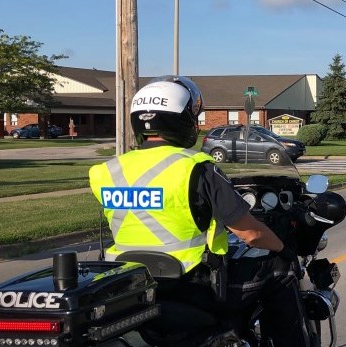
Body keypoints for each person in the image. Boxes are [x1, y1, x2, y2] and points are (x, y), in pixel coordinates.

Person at [88, 76, 309, 346]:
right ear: (182, 121)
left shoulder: (105, 171)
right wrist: (282, 248)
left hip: (129, 284)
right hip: (192, 284)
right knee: (281, 270)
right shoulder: (195, 166)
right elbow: (250, 233)